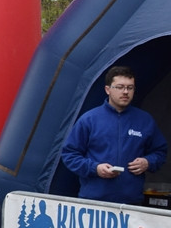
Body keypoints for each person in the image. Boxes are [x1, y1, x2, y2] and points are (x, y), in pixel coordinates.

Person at [60, 65, 167, 204]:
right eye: (120, 87)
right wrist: (95, 168)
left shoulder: (145, 120)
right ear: (108, 89)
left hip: (131, 204)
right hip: (94, 202)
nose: (125, 92)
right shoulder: (89, 119)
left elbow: (160, 151)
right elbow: (69, 154)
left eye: (130, 87)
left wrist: (148, 162)